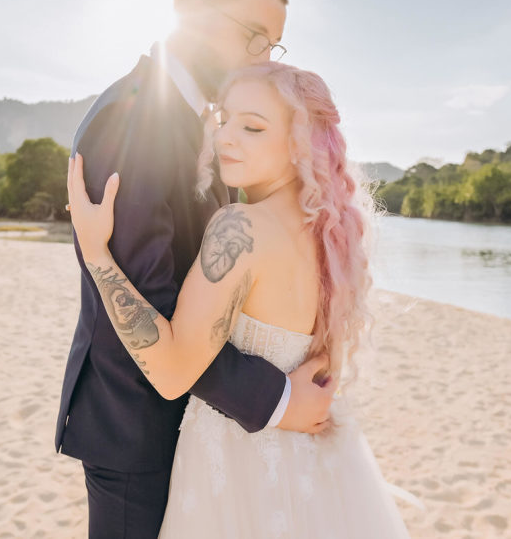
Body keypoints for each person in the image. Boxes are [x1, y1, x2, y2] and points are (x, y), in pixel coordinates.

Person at [54, 0, 337, 538]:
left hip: (180, 422)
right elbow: (151, 300)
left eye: (273, 45)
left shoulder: (195, 119)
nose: (263, 58)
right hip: (137, 426)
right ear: (195, 15)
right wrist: (279, 399)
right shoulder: (138, 118)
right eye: (256, 37)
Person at [68, 61, 411, 537]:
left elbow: (170, 373)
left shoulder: (240, 226)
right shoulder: (332, 238)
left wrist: (96, 252)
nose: (225, 137)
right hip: (314, 466)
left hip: (234, 468)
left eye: (252, 127)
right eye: (224, 119)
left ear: (301, 145)